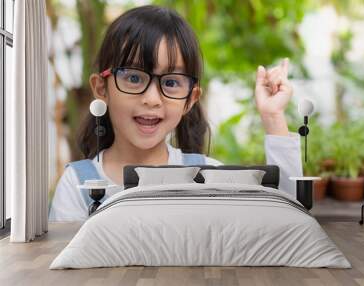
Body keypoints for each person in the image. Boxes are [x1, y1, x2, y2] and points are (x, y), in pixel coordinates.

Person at [49, 5, 302, 222]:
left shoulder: (212, 177)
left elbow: (288, 218)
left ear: (190, 99)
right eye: (134, 77)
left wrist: (273, 117)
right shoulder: (76, 184)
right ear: (102, 88)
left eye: (170, 83)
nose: (151, 99)